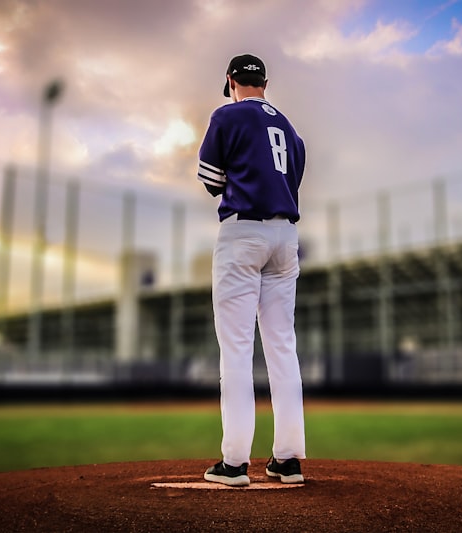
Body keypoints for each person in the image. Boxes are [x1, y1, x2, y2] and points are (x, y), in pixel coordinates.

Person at [197, 53, 307, 486]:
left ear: (230, 81)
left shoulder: (227, 116)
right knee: (282, 346)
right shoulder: (291, 130)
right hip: (286, 237)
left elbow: (211, 180)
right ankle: (288, 459)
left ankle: (235, 462)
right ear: (265, 82)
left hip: (243, 233)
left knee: (237, 349)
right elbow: (290, 180)